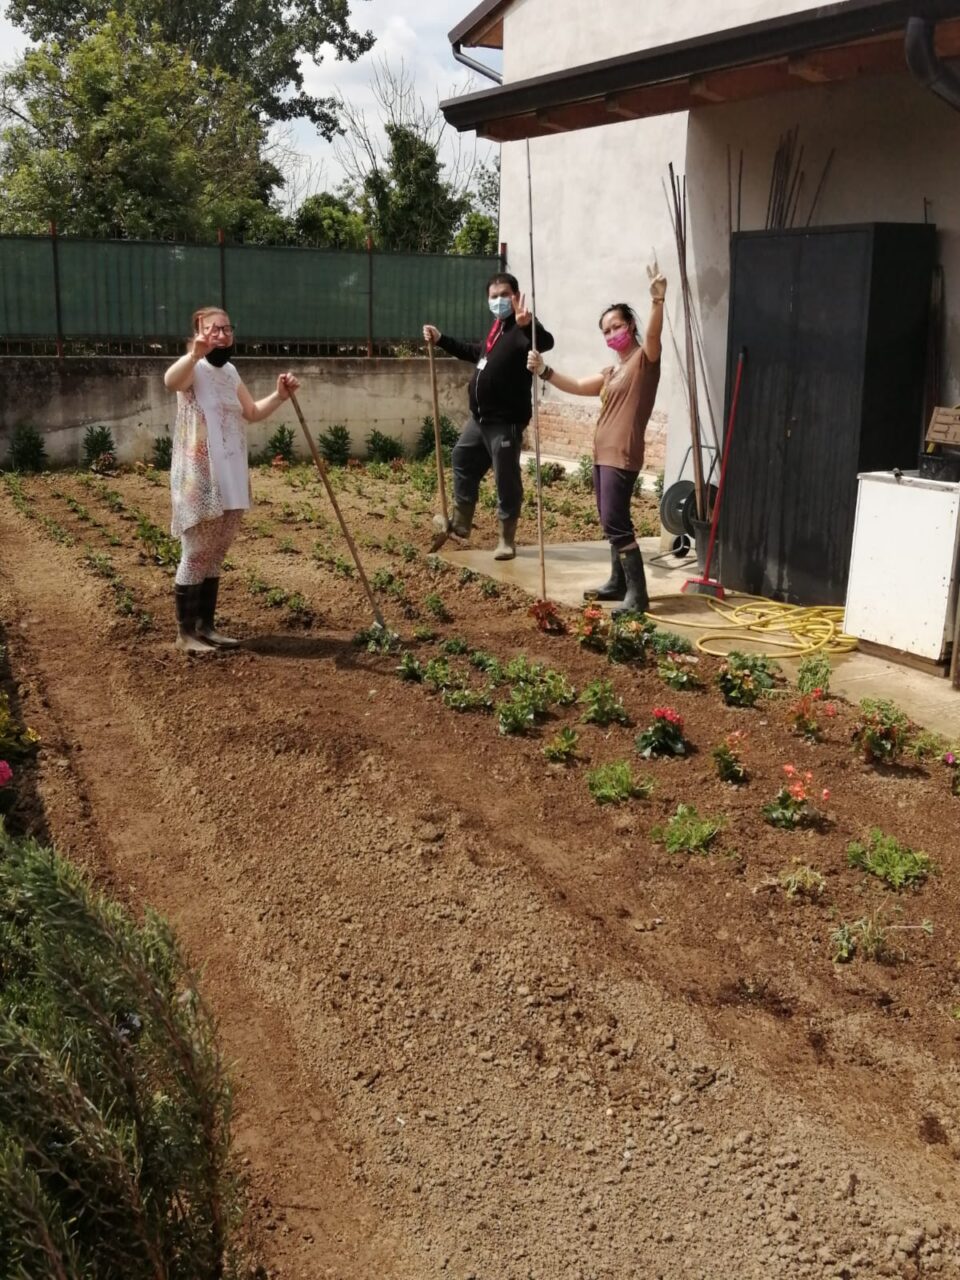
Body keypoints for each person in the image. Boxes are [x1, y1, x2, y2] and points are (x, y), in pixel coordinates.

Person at [527, 264, 666, 615]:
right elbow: (575, 385)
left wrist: (657, 300)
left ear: (630, 325)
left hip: (622, 454)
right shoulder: (612, 371)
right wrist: (543, 369)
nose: (611, 334)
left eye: (616, 326)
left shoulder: (642, 362)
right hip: (603, 454)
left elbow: (653, 339)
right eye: (605, 330)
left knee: (617, 522)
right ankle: (617, 583)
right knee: (608, 519)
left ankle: (639, 596)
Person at [163, 306, 301, 653]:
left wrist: (280, 397)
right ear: (198, 333)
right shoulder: (193, 369)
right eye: (214, 330)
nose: (222, 335)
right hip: (202, 477)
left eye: (226, 328)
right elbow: (170, 381)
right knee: (196, 552)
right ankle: (185, 634)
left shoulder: (230, 372)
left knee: (216, 553)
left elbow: (251, 413)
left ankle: (205, 627)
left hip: (232, 473)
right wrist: (194, 353)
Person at [422, 272, 554, 561]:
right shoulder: (496, 329)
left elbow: (546, 342)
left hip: (505, 422)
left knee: (506, 479)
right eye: (493, 296)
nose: (498, 300)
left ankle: (506, 540)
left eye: (504, 295)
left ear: (516, 296)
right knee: (462, 458)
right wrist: (442, 339)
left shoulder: (521, 329)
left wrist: (528, 324)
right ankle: (461, 523)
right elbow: (476, 353)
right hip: (480, 419)